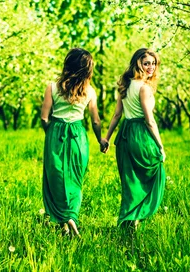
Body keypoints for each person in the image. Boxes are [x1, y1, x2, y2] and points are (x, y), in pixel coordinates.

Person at [40, 47, 106, 236]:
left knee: (56, 180)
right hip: (78, 136)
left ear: (68, 64)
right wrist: (100, 140)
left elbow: (44, 118)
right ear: (87, 69)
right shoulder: (90, 91)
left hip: (56, 133)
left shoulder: (52, 87)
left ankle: (65, 220)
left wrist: (51, 134)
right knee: (75, 180)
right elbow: (95, 120)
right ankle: (71, 219)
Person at [102, 48, 166, 229]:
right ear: (138, 63)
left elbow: (116, 115)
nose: (151, 67)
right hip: (140, 134)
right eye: (146, 63)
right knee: (152, 173)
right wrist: (161, 146)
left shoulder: (125, 84)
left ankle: (129, 221)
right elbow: (150, 120)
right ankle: (134, 219)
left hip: (124, 134)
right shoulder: (144, 88)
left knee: (130, 179)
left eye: (153, 63)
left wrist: (107, 138)